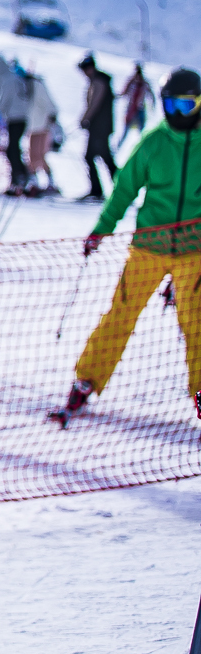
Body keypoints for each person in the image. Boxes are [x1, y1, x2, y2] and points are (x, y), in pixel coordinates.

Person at [58, 68, 201, 426]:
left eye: (187, 105)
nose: (178, 113)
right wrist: (101, 231)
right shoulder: (153, 142)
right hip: (149, 247)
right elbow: (124, 190)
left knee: (196, 323)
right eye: (171, 104)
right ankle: (87, 379)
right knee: (120, 313)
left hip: (193, 252)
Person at [77, 54, 116, 201]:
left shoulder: (99, 81)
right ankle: (100, 190)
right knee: (101, 157)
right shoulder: (99, 80)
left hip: (100, 127)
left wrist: (86, 118)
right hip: (99, 127)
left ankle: (100, 190)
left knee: (101, 158)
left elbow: (95, 104)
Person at [0, 56, 30, 191]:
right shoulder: (15, 77)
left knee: (12, 150)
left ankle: (19, 177)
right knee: (14, 148)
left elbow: (4, 100)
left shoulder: (6, 79)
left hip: (14, 118)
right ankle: (20, 176)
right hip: (21, 117)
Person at [22, 67, 59, 196]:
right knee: (33, 155)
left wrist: (51, 119)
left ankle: (44, 182)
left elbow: (48, 104)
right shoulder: (27, 86)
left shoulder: (36, 85)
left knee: (36, 154)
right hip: (33, 126)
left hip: (41, 125)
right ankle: (38, 182)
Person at [119, 63, 150, 147]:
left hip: (140, 109)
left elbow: (150, 94)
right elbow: (124, 92)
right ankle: (118, 147)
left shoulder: (144, 84)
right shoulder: (131, 83)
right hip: (131, 109)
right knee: (125, 132)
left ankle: (143, 147)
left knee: (141, 131)